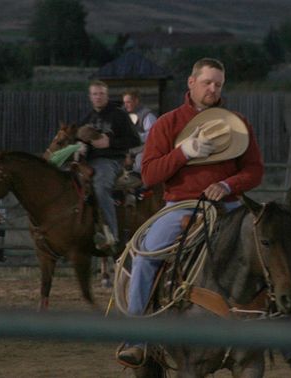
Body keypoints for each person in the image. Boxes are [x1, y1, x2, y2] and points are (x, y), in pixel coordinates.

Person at [116, 58, 264, 367]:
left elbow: (254, 170)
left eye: (219, 84)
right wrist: (184, 153)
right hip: (180, 206)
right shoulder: (167, 124)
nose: (213, 89)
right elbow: (150, 174)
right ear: (191, 82)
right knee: (146, 255)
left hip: (229, 206)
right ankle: (136, 340)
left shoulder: (236, 123)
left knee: (272, 244)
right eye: (208, 82)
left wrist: (227, 184)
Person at [79, 80, 141, 251]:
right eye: (94, 94)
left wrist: (110, 142)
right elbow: (80, 137)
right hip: (88, 161)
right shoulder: (88, 117)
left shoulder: (119, 115)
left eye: (101, 94)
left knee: (100, 186)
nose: (98, 97)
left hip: (111, 160)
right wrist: (80, 146)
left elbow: (135, 140)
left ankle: (111, 235)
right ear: (90, 97)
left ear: (106, 95)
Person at [122, 88, 158, 174]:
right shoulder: (124, 115)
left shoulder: (147, 116)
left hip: (145, 149)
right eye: (124, 102)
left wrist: (135, 136)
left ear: (136, 101)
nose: (126, 105)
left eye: (128, 102)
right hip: (128, 150)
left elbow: (152, 136)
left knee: (140, 166)